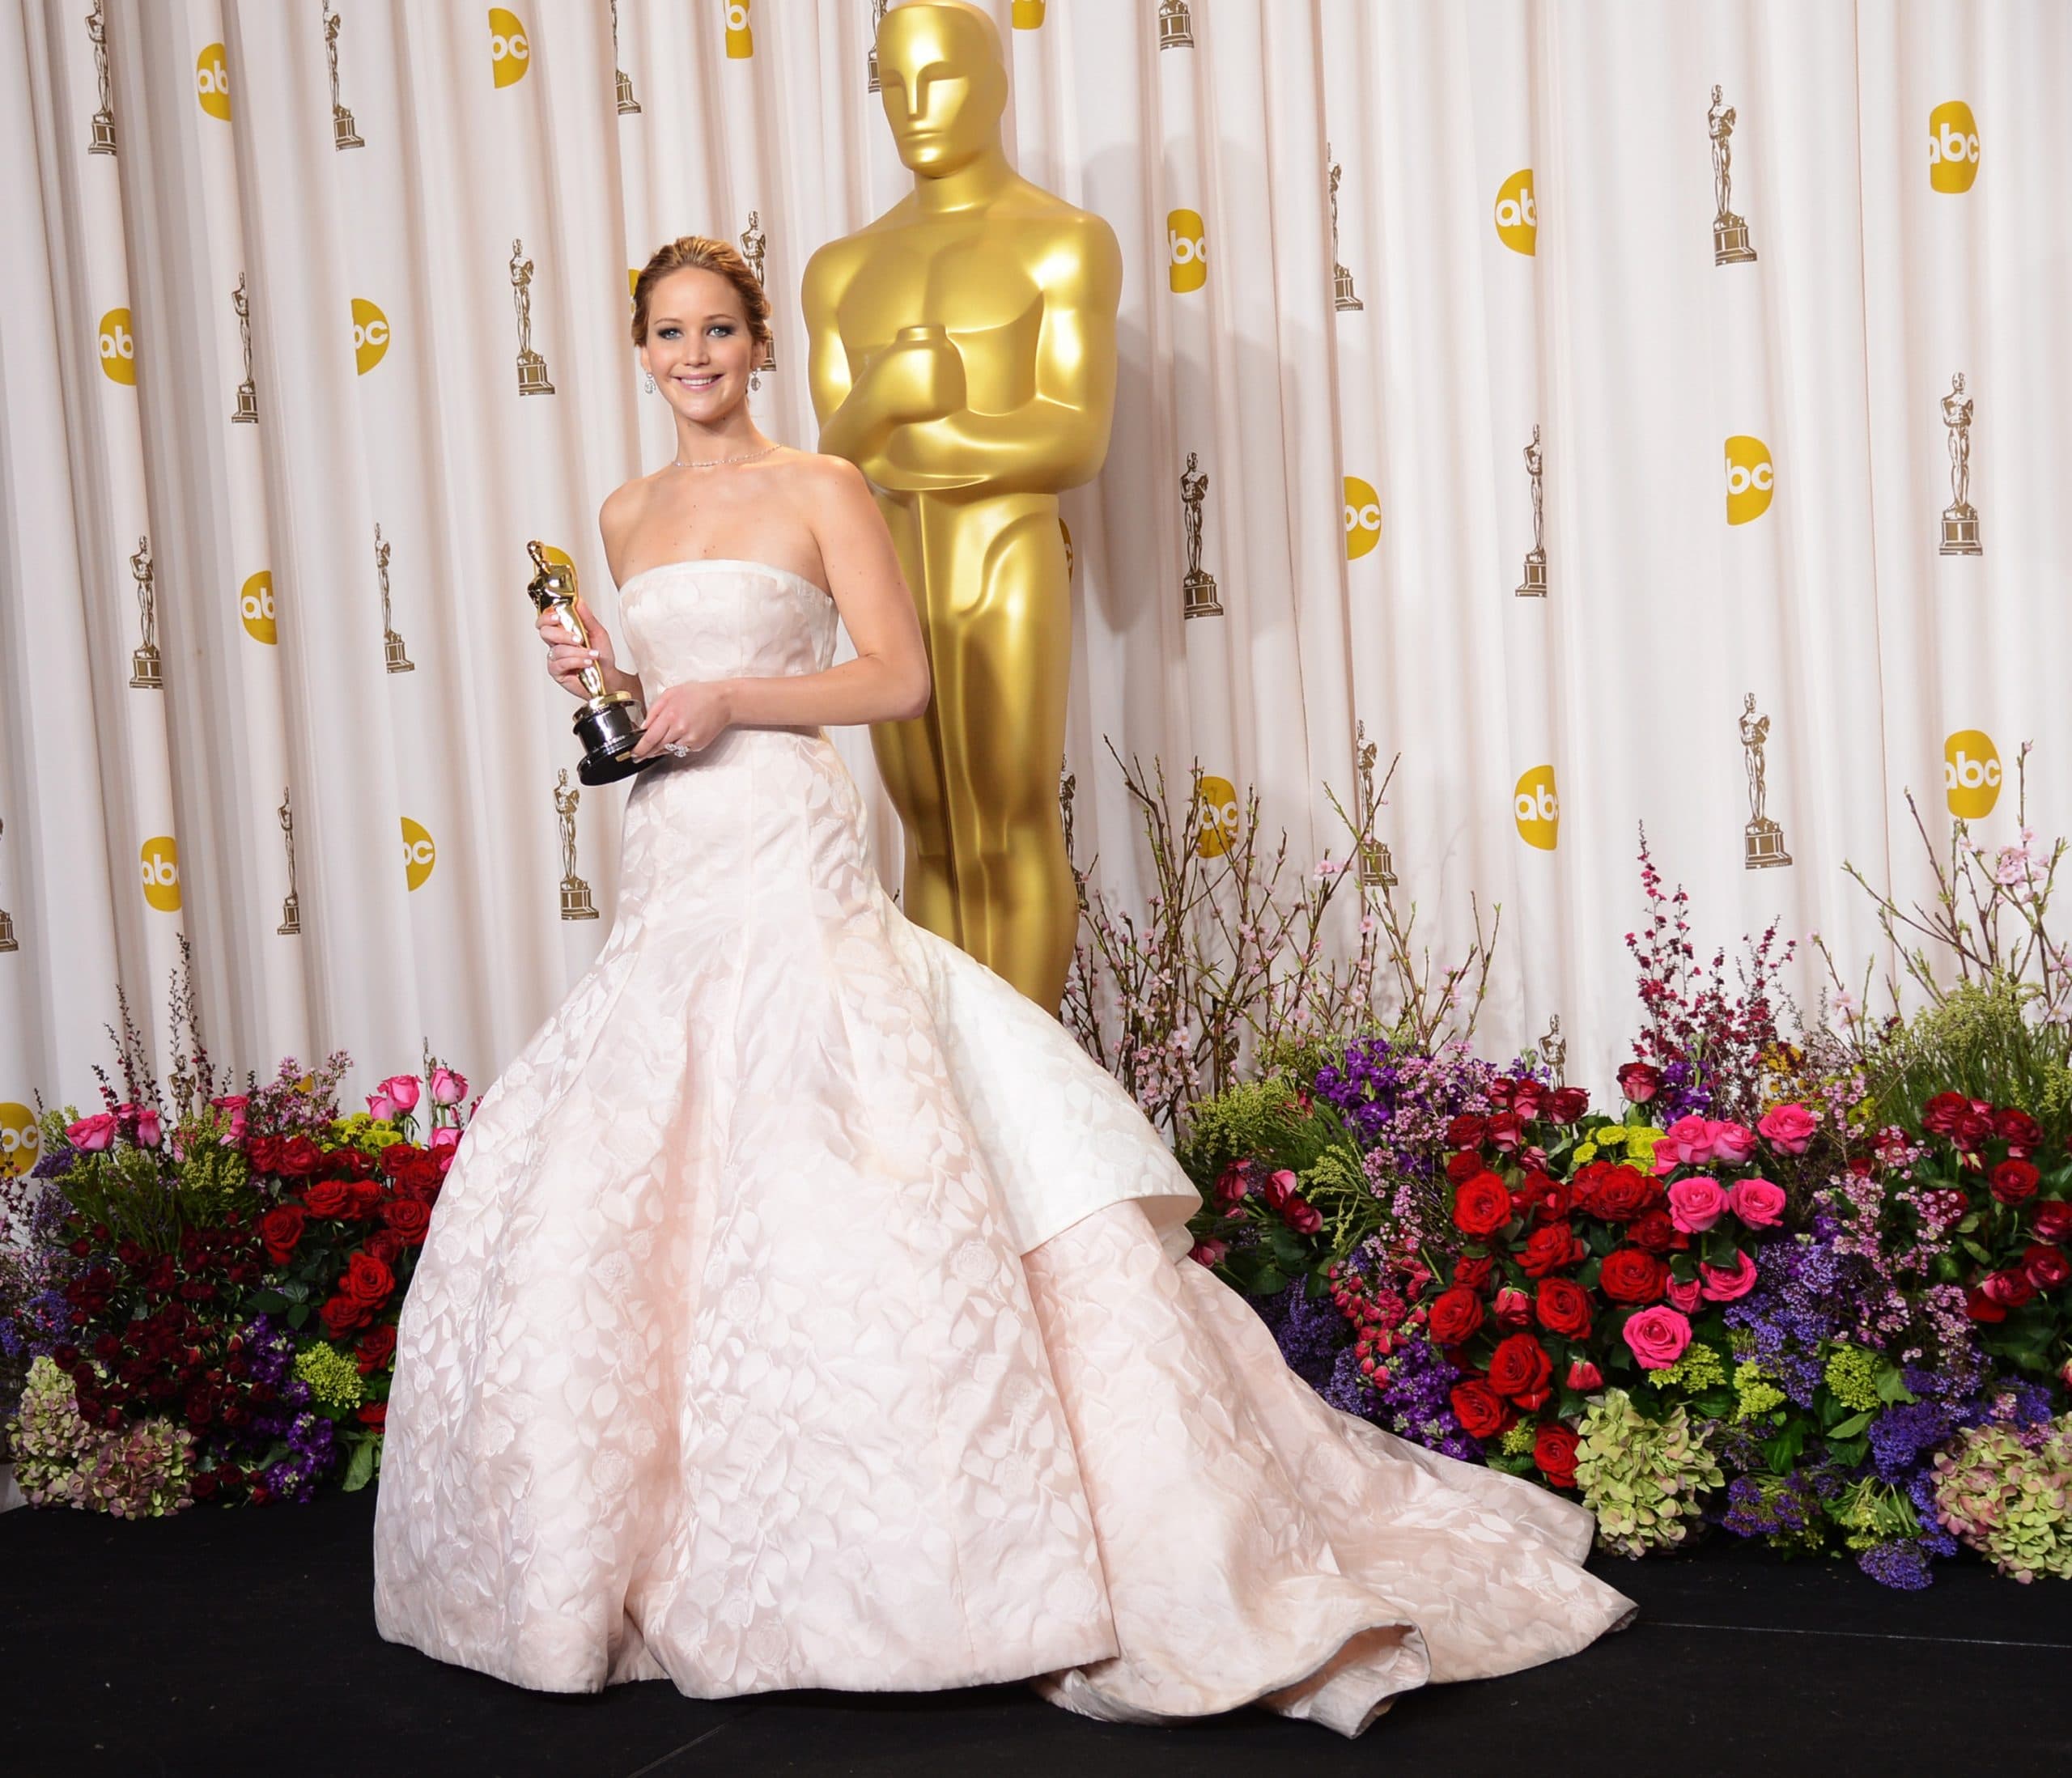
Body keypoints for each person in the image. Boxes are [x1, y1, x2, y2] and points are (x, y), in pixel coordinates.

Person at [370, 236, 1634, 1737]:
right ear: (639, 351)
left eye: (717, 329)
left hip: (784, 833)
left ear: (757, 345)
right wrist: (612, 688)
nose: (694, 355)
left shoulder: (821, 485)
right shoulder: (625, 512)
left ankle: (922, 1563)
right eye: (668, 333)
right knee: (663, 1153)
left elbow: (895, 676)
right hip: (671, 850)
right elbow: (660, 708)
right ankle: (682, 1541)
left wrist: (732, 697)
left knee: (828, 1130)